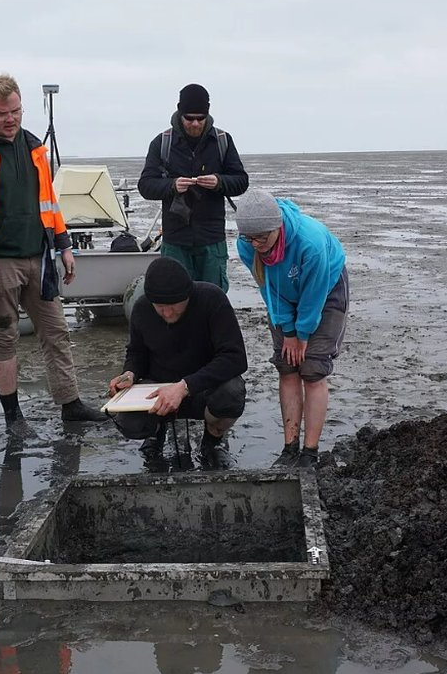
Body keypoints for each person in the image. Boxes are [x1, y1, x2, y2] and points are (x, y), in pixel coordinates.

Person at [0, 73, 105, 439]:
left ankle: (70, 405)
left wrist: (65, 246)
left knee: (57, 333)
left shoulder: (35, 147)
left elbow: (49, 203)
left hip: (40, 258)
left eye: (16, 111)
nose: (11, 119)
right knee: (4, 337)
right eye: (2, 113)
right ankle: (13, 417)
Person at [234, 189, 349, 470]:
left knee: (312, 370)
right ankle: (290, 448)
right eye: (251, 238)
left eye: (263, 237)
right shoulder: (247, 245)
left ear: (277, 227)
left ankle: (309, 453)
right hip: (281, 296)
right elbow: (268, 288)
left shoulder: (310, 242)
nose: (257, 244)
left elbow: (314, 293)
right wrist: (288, 330)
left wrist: (303, 333)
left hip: (326, 290)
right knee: (287, 366)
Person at [107, 256, 247, 470]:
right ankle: (156, 432)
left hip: (204, 388)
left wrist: (185, 386)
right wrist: (130, 374)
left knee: (232, 393)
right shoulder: (142, 308)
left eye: (173, 306)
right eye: (160, 307)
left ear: (187, 296)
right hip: (158, 388)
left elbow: (235, 358)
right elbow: (136, 353)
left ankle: (213, 441)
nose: (167, 312)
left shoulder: (212, 299)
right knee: (129, 422)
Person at [137, 83, 249, 291]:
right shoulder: (162, 143)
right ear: (180, 113)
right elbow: (145, 186)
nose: (195, 124)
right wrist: (172, 186)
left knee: (213, 297)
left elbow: (241, 180)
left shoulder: (222, 141)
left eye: (200, 118)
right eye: (189, 118)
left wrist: (219, 182)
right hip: (175, 240)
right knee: (175, 295)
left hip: (211, 239)